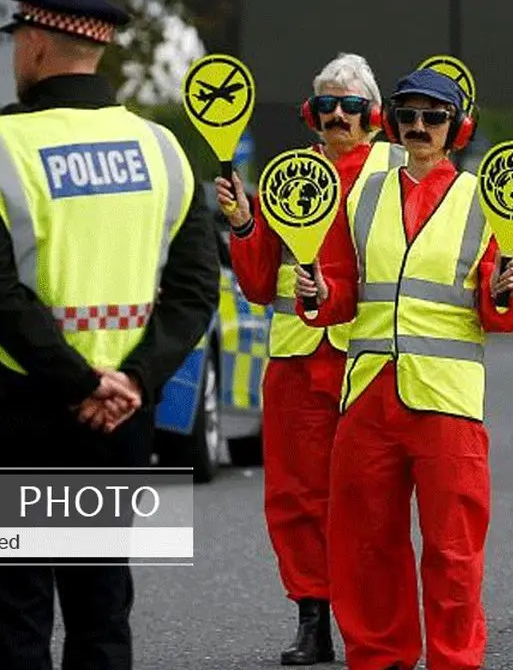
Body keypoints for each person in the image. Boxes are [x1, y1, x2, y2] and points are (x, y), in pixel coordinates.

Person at [0, 0, 220, 670]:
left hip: (16, 418)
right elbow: (193, 290)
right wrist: (130, 381)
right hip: (119, 424)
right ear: (98, 49)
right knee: (100, 612)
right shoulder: (162, 152)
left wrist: (74, 379)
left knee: (12, 618)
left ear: (33, 45)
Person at [294, 68, 513, 670]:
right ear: (393, 122)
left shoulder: (487, 201)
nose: (420, 127)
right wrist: (317, 293)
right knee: (365, 546)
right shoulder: (362, 195)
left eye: (434, 117)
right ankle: (380, 659)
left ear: (459, 127)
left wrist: (505, 291)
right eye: (409, 116)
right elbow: (342, 293)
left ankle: (454, 661)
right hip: (369, 398)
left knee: (453, 551)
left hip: (447, 404)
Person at [215, 52, 406, 665]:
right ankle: (313, 620)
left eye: (350, 105)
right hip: (297, 357)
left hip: (367, 356)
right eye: (326, 105)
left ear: (373, 114)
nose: (338, 116)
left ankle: (370, 625)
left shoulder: (398, 172)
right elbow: (257, 278)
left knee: (367, 500)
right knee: (296, 497)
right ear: (310, 113)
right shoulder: (284, 176)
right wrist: (244, 222)